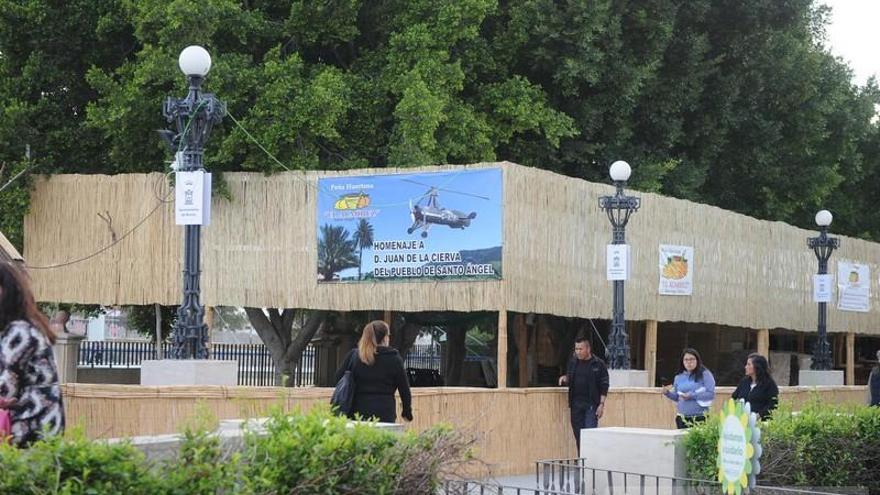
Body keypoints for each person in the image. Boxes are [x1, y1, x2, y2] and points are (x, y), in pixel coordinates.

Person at [0, 261, 65, 446]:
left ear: (7, 292)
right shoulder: (22, 328)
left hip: (28, 430)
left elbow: (5, 388)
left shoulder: (20, 332)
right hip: (41, 431)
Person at [335, 320, 412, 423]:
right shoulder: (394, 358)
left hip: (357, 413)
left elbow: (338, 378)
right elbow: (404, 389)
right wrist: (407, 412)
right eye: (388, 335)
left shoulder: (354, 356)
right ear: (385, 338)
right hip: (385, 413)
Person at [558, 338, 609, 452]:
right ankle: (583, 461)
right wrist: (565, 378)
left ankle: (590, 462)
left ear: (588, 349)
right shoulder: (573, 362)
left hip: (591, 405)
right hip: (576, 404)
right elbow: (570, 377)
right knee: (578, 434)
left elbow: (604, 385)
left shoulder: (598, 364)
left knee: (589, 434)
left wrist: (601, 404)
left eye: (581, 349)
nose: (578, 351)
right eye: (576, 349)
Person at [662, 348, 716, 428]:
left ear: (697, 360)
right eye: (686, 360)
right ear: (682, 362)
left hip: (700, 417)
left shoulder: (705, 374)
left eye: (692, 359)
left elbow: (710, 394)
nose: (689, 362)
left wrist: (692, 396)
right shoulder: (678, 377)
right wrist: (667, 393)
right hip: (682, 418)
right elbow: (677, 397)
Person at [731, 353, 778, 420]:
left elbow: (772, 405)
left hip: (761, 423)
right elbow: (734, 397)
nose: (745, 367)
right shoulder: (744, 382)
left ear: (757, 367)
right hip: (742, 422)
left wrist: (758, 416)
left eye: (748, 364)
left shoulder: (769, 384)